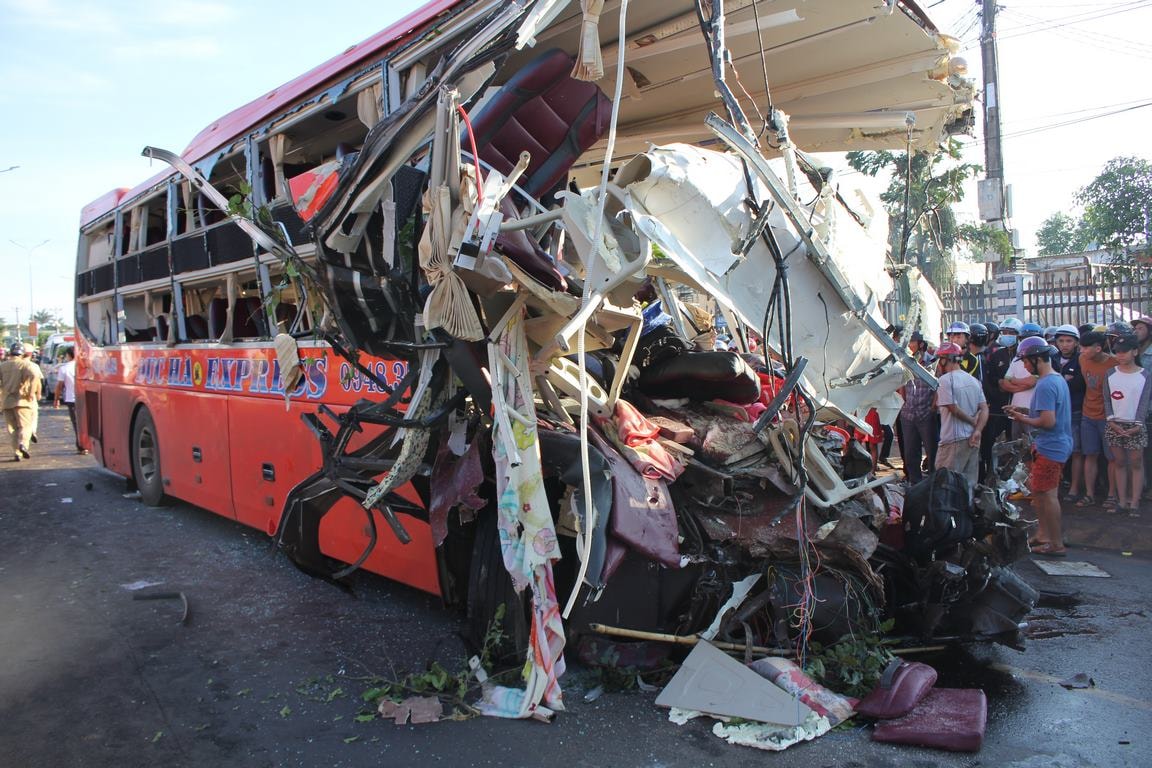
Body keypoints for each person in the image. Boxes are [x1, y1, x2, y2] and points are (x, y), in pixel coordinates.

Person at [1005, 336, 1073, 556]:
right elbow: (1046, 414)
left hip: (1050, 445)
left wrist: (1021, 419)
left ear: (1036, 359)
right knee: (1039, 492)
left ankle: (1055, 543)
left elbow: (1047, 421)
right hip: (1052, 444)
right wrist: (1023, 413)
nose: (1024, 366)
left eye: (1026, 361)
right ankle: (1044, 535)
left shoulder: (1045, 384)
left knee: (1047, 494)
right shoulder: (1056, 380)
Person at [1104, 337, 1150, 513]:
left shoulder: (1145, 375)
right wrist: (1112, 421)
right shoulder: (1110, 374)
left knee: (1136, 462)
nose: (1120, 355)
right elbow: (1107, 399)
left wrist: (1138, 424)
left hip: (1136, 424)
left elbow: (1144, 402)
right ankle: (1122, 500)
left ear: (1135, 352)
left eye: (1124, 351)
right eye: (1117, 352)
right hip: (1114, 423)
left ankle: (1135, 501)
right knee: (1119, 461)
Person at [934, 342, 988, 487]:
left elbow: (953, 408)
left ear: (945, 360)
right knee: (968, 485)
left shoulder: (944, 381)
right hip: (973, 439)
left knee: (946, 485)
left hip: (952, 440)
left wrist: (972, 421)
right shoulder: (973, 380)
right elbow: (984, 408)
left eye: (940, 360)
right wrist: (977, 430)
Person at [1077, 330, 1118, 508]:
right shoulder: (1082, 359)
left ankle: (1112, 495)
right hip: (1088, 414)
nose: (1082, 350)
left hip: (1109, 417)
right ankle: (1089, 494)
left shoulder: (1114, 364)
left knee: (1112, 458)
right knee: (1090, 455)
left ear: (1098, 348)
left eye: (1086, 347)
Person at [1051, 325, 1086, 503]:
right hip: (1056, 412)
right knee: (1058, 450)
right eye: (1061, 341)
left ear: (1076, 343)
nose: (1065, 345)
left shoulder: (1081, 360)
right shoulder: (1053, 359)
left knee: (1076, 450)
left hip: (1075, 410)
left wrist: (1063, 383)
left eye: (1069, 341)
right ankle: (1056, 485)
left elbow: (1079, 384)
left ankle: (1074, 488)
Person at [898, 332, 937, 484]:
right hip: (908, 415)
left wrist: (932, 408)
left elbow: (938, 387)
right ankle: (915, 484)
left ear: (921, 344)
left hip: (926, 414)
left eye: (912, 342)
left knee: (932, 452)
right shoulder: (906, 362)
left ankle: (933, 484)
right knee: (910, 454)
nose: (909, 345)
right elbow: (902, 384)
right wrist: (903, 404)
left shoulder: (933, 361)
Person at [0, 342, 43, 461]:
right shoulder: (26, 365)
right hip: (22, 401)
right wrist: (31, 392)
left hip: (7, 402)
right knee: (25, 426)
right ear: (22, 353)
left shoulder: (2, 366)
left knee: (12, 428)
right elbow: (35, 375)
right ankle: (23, 444)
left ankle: (16, 453)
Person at [1001, 322, 1043, 440]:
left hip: (1033, 412)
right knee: (1016, 445)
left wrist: (1014, 380)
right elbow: (1005, 383)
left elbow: (1032, 382)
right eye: (1023, 339)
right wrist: (1021, 385)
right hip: (1016, 409)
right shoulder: (1017, 358)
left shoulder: (1042, 360)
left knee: (1032, 444)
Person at [53, 347, 88, 454]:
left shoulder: (64, 368)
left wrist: (56, 399)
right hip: (85, 398)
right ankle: (85, 444)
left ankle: (82, 445)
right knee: (86, 421)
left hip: (72, 399)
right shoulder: (85, 366)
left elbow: (59, 386)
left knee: (76, 423)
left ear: (68, 355)